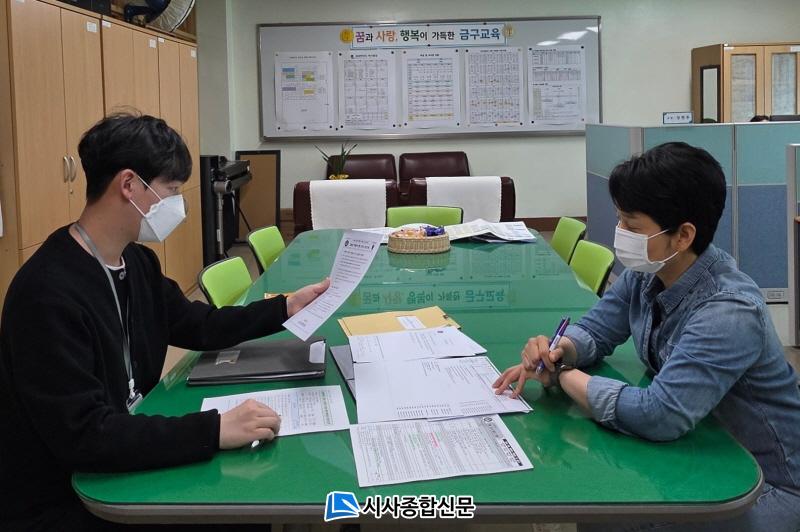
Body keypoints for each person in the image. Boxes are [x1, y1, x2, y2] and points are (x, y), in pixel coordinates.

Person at [0, 113, 330, 531]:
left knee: (253, 492)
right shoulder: (46, 293)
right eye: (171, 190)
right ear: (129, 185)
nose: (177, 204)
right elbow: (85, 436)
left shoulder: (136, 261)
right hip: (73, 497)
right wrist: (213, 430)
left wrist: (284, 308)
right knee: (243, 508)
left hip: (125, 453)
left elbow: (199, 324)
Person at [494, 142, 800, 531]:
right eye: (620, 221)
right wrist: (560, 350)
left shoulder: (728, 311)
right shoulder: (648, 273)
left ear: (683, 235)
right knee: (603, 507)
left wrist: (564, 375)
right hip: (699, 450)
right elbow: (597, 329)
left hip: (764, 485)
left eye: (633, 227)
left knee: (617, 514)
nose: (620, 234)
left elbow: (660, 415)